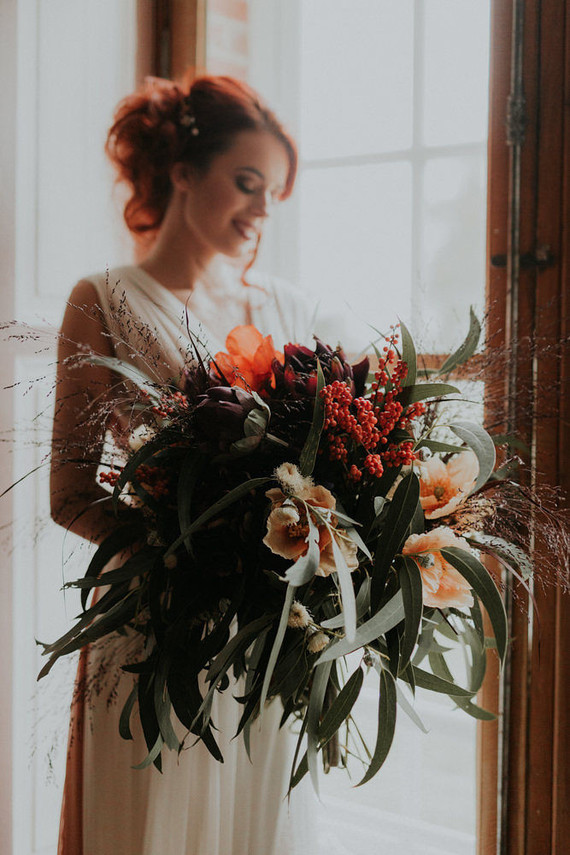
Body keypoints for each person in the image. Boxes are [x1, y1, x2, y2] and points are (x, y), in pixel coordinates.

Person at [50, 72, 319, 855]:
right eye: (246, 182)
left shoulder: (287, 308)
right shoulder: (104, 298)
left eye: (273, 192)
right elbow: (70, 493)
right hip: (160, 631)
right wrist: (187, 553)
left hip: (273, 629)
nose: (263, 209)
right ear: (181, 172)